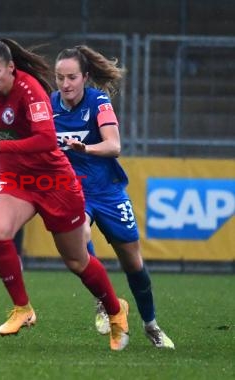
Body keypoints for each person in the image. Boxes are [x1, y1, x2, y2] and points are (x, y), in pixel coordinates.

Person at [0, 38, 130, 351]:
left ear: (11, 69)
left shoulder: (31, 92)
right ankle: (23, 309)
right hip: (16, 178)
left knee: (76, 260)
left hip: (54, 180)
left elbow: (45, 141)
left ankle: (116, 311)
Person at [51, 45, 175, 349]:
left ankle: (151, 325)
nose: (65, 84)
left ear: (86, 77)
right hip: (75, 191)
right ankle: (103, 300)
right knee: (77, 242)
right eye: (59, 77)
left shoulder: (99, 102)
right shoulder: (48, 106)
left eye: (71, 77)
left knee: (133, 263)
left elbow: (114, 146)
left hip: (108, 192)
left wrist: (86, 149)